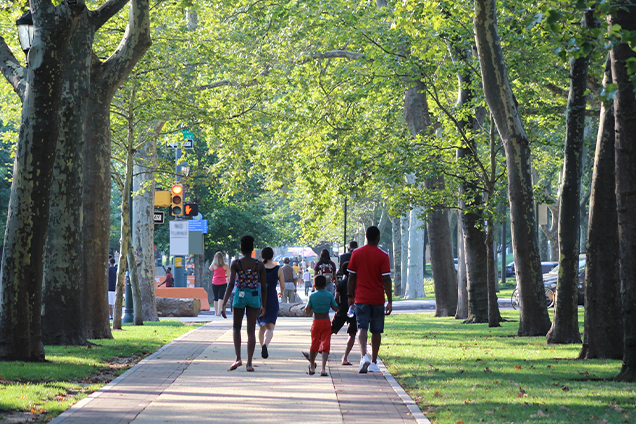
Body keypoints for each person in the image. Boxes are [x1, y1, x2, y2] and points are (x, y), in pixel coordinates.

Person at [347, 226, 392, 374]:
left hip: (361, 298)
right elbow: (386, 279)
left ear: (366, 236)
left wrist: (350, 296)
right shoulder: (383, 256)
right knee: (376, 331)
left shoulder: (356, 253)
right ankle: (373, 362)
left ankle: (363, 356)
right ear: (378, 238)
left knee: (362, 327)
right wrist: (389, 300)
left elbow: (351, 277)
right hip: (377, 299)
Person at [221, 235, 267, 372]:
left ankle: (238, 358)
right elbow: (264, 287)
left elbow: (230, 284)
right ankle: (249, 363)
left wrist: (224, 304)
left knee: (236, 327)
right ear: (252, 249)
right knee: (251, 330)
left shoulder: (236, 263)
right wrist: (263, 305)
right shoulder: (259, 265)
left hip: (239, 296)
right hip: (254, 296)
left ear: (241, 249)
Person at [302, 275, 338, 376]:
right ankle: (323, 369)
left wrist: (307, 309)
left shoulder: (312, 296)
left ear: (314, 285)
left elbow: (307, 310)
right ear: (325, 285)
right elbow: (335, 308)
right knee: (325, 344)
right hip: (326, 322)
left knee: (314, 344)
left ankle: (312, 366)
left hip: (316, 322)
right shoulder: (330, 295)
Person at [257, 247, 285, 359]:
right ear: (272, 256)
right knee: (270, 327)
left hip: (259, 299)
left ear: (262, 256)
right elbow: (282, 285)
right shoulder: (278, 269)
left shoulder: (258, 268)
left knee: (261, 326)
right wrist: (281, 292)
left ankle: (262, 347)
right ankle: (265, 344)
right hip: (272, 298)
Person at [331, 261, 356, 365]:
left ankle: (321, 348)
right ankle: (345, 357)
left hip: (342, 309)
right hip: (354, 309)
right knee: (352, 334)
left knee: (331, 330)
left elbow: (336, 297)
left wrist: (337, 308)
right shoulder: (356, 282)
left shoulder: (341, 283)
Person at [209, 251, 230, 316]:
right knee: (220, 297)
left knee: (215, 298)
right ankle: (219, 312)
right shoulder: (225, 266)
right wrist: (224, 276)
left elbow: (210, 269)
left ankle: (216, 312)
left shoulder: (214, 265)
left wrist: (213, 262)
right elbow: (229, 275)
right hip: (223, 283)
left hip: (215, 282)